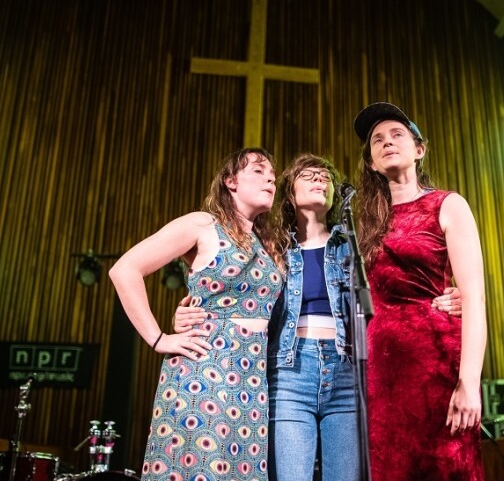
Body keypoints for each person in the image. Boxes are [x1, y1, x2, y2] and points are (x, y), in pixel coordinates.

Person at [173, 153, 464, 481]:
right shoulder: (271, 248)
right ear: (290, 192)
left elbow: (397, 287)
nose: (319, 180)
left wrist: (446, 296)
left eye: (325, 177)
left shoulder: (357, 246)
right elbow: (224, 280)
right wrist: (194, 307)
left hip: (347, 374)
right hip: (289, 374)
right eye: (308, 175)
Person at [109, 147, 284, 481]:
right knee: (199, 467)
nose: (270, 180)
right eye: (259, 171)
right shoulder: (203, 224)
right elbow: (125, 269)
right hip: (205, 369)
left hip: (252, 376)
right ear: (231, 181)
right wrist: (159, 338)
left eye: (273, 176)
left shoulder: (267, 241)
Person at [353, 102, 487, 480]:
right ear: (371, 163)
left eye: (397, 134)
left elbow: (474, 298)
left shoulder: (447, 205)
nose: (387, 142)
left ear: (419, 148)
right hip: (379, 373)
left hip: (435, 365)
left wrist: (469, 383)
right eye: (377, 140)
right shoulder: (360, 224)